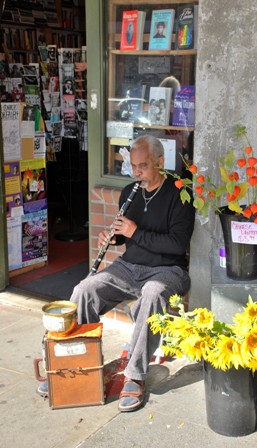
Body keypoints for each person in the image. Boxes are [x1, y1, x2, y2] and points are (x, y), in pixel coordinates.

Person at [69, 135, 195, 412]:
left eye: (143, 166)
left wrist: (134, 231)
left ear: (160, 163)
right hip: (129, 266)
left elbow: (177, 244)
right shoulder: (130, 192)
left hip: (168, 269)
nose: (136, 171)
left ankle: (136, 376)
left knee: (151, 293)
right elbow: (125, 238)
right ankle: (80, 363)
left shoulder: (179, 194)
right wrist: (113, 238)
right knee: (84, 290)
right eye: (132, 166)